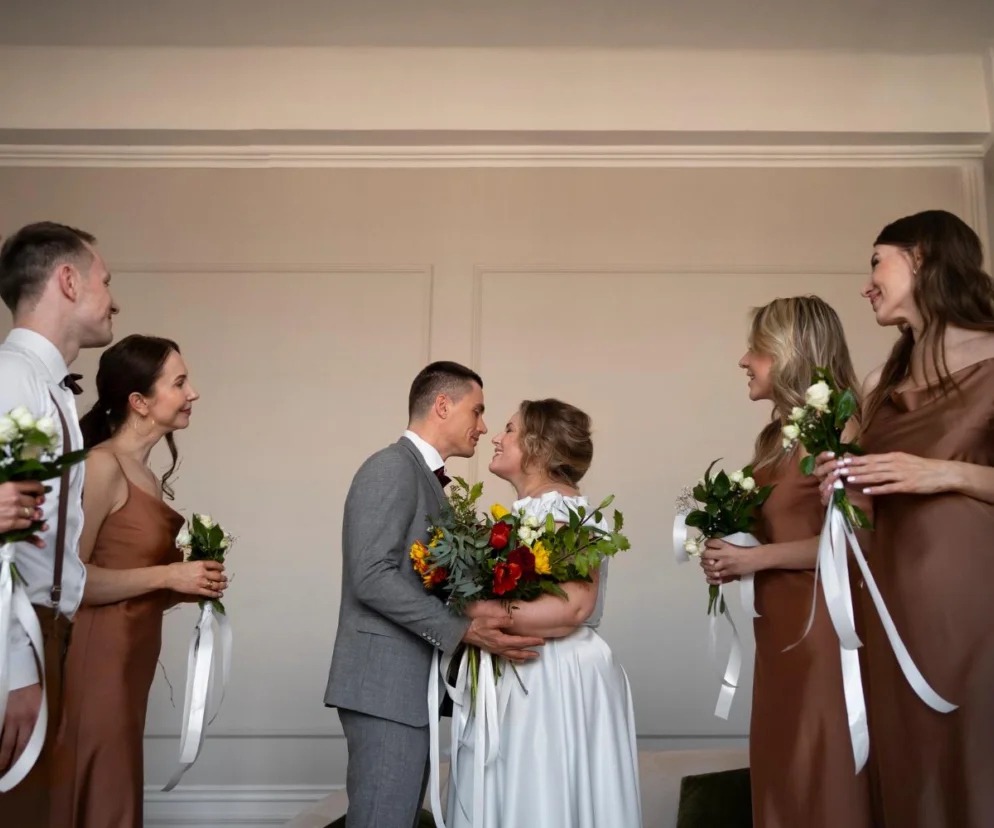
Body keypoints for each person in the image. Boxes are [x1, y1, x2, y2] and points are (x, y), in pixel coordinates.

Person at [814, 210, 994, 827]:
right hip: (889, 609)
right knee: (909, 770)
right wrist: (839, 487)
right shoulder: (878, 382)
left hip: (974, 607)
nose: (866, 284)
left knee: (975, 760)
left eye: (876, 262)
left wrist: (943, 473)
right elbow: (862, 509)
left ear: (921, 258)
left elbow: (929, 474)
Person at [324, 361, 544, 828]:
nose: (482, 426)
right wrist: (462, 629)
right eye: (477, 411)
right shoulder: (390, 467)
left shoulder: (424, 478)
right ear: (442, 405)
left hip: (407, 692)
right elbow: (371, 575)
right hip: (384, 690)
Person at [700, 297, 873, 828]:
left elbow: (857, 543)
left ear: (789, 353)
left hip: (822, 632)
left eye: (756, 349)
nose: (744, 360)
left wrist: (755, 558)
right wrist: (727, 548)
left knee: (819, 770)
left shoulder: (842, 429)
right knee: (781, 772)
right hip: (778, 634)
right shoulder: (775, 439)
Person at [51, 334, 227, 827]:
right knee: (99, 788)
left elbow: (134, 585)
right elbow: (70, 583)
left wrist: (187, 586)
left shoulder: (146, 475)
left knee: (116, 782)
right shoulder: (102, 466)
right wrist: (170, 573)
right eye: (179, 382)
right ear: (139, 401)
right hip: (97, 658)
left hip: (133, 659)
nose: (193, 393)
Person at [448, 399, 642, 828]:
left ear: (538, 446)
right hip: (523, 666)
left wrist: (474, 611)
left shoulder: (565, 511)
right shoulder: (524, 513)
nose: (496, 437)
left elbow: (574, 606)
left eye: (509, 429)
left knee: (541, 791)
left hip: (553, 678)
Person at [0, 221, 117, 824]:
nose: (113, 300)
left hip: (50, 635)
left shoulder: (48, 386)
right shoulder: (11, 378)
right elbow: (7, 547)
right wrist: (18, 669)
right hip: (19, 642)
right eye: (105, 281)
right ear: (68, 281)